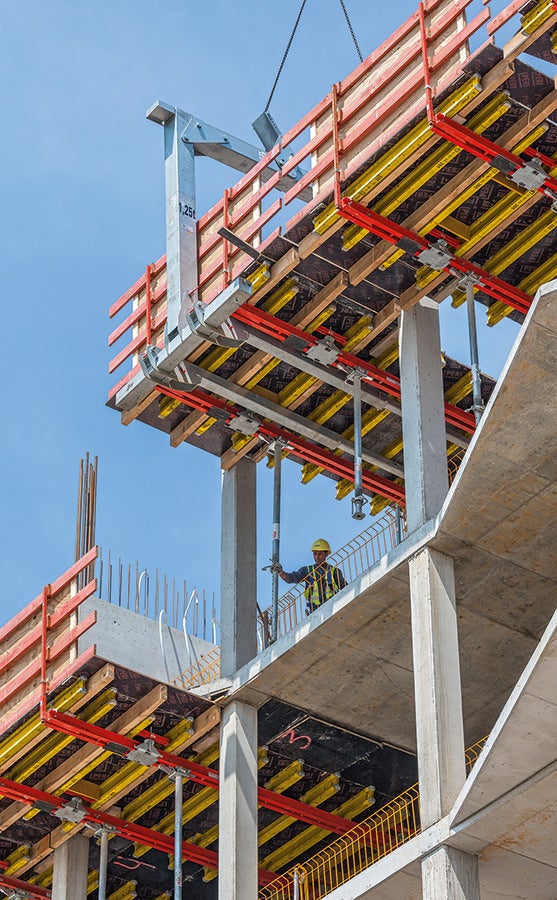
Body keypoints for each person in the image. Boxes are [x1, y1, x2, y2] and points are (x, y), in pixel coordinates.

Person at [278, 539, 347, 614]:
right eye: (315, 554)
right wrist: (280, 572)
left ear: (326, 554)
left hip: (332, 606)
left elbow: (345, 588)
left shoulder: (334, 571)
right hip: (315, 611)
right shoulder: (307, 570)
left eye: (319, 554)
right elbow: (291, 578)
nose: (317, 557)